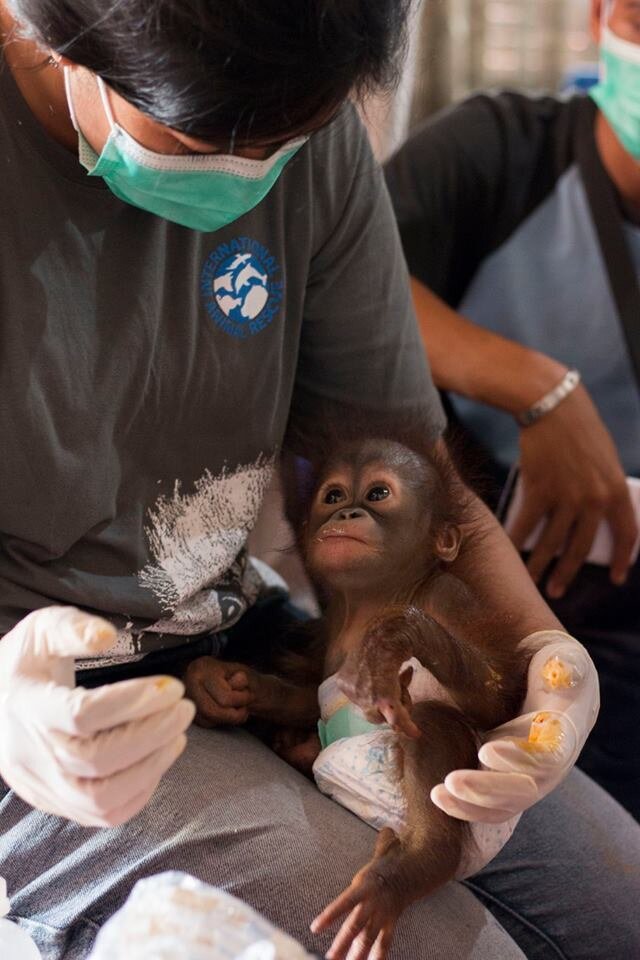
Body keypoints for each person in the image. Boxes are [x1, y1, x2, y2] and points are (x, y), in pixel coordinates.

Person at [0, 2, 638, 959]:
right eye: (202, 139)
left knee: (619, 911)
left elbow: (401, 464)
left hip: (242, 635)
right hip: (51, 711)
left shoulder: (312, 130)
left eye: (289, 141)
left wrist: (542, 652)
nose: (252, 175)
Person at [385, 0, 640, 820]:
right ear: (600, 17)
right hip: (483, 606)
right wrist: (538, 389)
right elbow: (348, 282)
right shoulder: (500, 151)